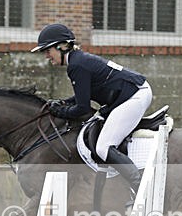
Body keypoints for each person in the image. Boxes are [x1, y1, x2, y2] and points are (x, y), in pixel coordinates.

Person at [31, 23, 153, 205]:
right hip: (130, 93)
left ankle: (141, 189)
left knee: (103, 147)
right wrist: (64, 102)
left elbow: (82, 108)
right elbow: (82, 96)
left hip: (134, 96)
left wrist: (59, 111)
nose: (46, 55)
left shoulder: (77, 65)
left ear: (62, 46)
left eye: (48, 50)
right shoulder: (78, 61)